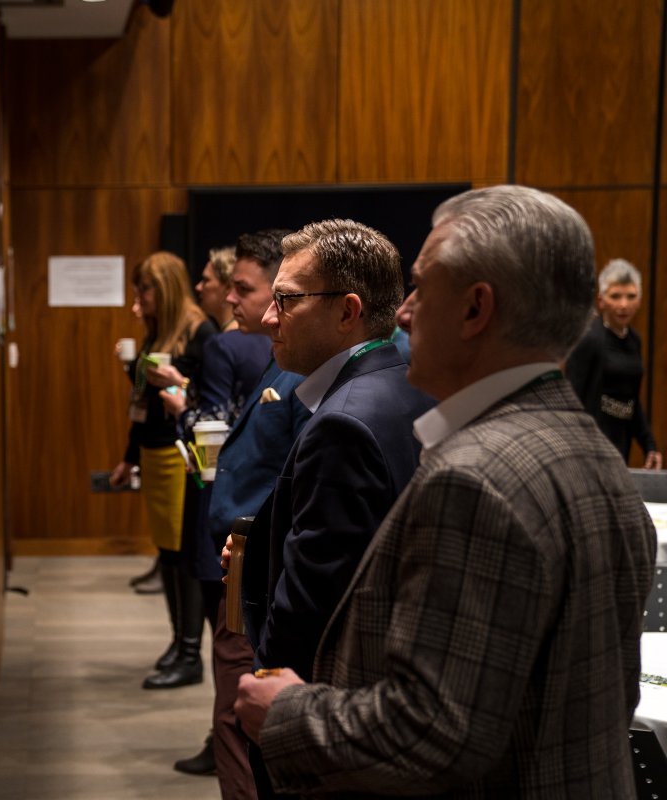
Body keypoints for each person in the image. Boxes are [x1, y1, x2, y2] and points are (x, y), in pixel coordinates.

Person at [237, 186, 656, 797]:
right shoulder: (596, 455)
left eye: (421, 288)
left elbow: (429, 733)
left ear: (474, 310)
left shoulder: (474, 479)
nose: (403, 313)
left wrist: (285, 712)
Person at [233, 219, 435, 797]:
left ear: (348, 311)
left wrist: (270, 709)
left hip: (325, 728)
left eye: (286, 301)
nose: (269, 319)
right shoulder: (403, 383)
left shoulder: (343, 422)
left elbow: (312, 609)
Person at [155, 237, 294, 783]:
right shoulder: (273, 358)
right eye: (229, 286)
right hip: (249, 556)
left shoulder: (287, 367)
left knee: (237, 706)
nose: (231, 298)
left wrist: (183, 408)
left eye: (244, 287)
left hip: (256, 564)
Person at [110, 251, 217, 690]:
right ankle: (179, 643)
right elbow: (142, 408)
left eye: (145, 290)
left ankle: (191, 654)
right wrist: (129, 457)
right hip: (153, 454)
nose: (139, 300)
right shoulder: (156, 332)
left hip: (181, 455)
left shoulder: (200, 333)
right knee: (167, 555)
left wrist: (175, 383)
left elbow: (209, 403)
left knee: (182, 555)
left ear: (166, 288)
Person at [566, 258, 662, 469]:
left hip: (620, 448)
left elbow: (631, 401)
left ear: (640, 299)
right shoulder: (589, 339)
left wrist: (649, 445)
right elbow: (571, 400)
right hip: (589, 451)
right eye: (616, 296)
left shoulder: (634, 341)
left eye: (631, 296)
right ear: (601, 300)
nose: (623, 305)